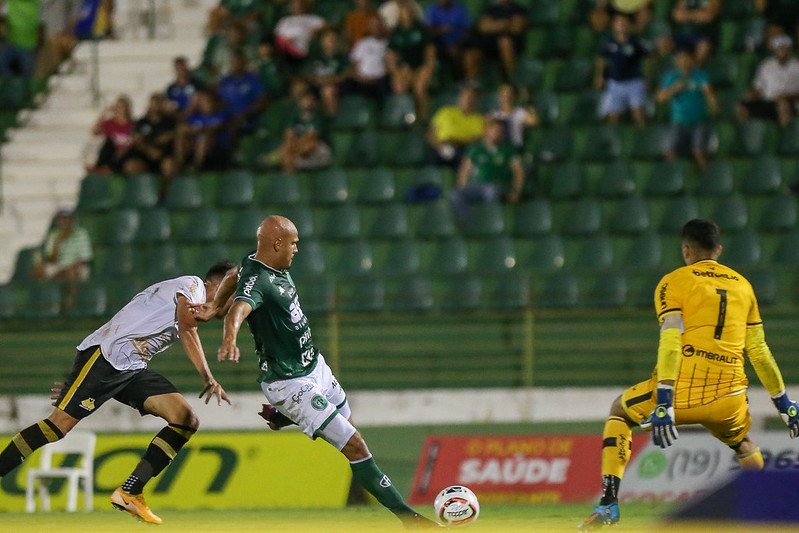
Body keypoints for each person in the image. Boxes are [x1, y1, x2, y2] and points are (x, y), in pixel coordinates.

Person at [191, 215, 438, 529]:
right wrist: (228, 334)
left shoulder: (257, 265)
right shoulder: (261, 281)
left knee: (346, 422)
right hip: (289, 382)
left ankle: (287, 416)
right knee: (355, 444)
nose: (297, 248)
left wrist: (214, 306)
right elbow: (241, 305)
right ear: (276, 243)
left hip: (314, 366)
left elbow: (234, 274)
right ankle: (410, 519)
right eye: (293, 242)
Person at [578, 219, 799, 530]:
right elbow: (759, 351)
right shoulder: (744, 286)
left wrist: (665, 400)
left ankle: (609, 504)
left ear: (685, 250)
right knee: (743, 443)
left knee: (619, 412)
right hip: (729, 397)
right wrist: (785, 404)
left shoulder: (674, 282)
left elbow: (671, 340)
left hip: (681, 392)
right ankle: (767, 513)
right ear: (718, 250)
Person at [0, 262, 236, 524]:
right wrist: (208, 376)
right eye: (230, 292)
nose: (229, 302)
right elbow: (187, 327)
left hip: (132, 368)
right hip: (106, 356)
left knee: (185, 419)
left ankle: (130, 491)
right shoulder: (192, 285)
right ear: (215, 284)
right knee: (57, 428)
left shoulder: (195, 302)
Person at [450, 119, 524, 226]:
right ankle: (467, 224)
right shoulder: (475, 149)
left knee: (491, 192)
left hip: (499, 186)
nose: (496, 133)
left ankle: (490, 225)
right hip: (477, 186)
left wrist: (516, 192)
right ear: (486, 131)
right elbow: (464, 171)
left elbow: (519, 172)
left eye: (499, 131)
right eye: (494, 130)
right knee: (455, 194)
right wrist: (463, 186)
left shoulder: (509, 150)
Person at [656, 48, 718, 170]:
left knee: (698, 152)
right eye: (682, 61)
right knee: (670, 152)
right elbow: (660, 98)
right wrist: (674, 89)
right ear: (677, 63)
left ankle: (705, 177)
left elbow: (708, 91)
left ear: (692, 62)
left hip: (699, 121)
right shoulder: (671, 77)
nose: (685, 64)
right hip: (678, 121)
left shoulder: (700, 75)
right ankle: (675, 176)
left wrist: (713, 104)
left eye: (687, 61)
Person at [595, 14, 651, 128]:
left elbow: (648, 60)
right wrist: (600, 76)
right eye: (619, 23)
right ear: (614, 26)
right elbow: (601, 59)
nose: (622, 26)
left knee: (638, 113)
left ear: (629, 26)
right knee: (612, 116)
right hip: (615, 82)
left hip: (634, 82)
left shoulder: (636, 43)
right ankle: (613, 139)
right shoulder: (609, 43)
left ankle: (642, 135)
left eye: (624, 23)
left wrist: (647, 78)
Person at [385, 3, 436, 119]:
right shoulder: (396, 32)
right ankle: (403, 118)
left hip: (421, 66)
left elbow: (430, 50)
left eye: (409, 12)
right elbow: (391, 54)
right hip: (404, 68)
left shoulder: (421, 29)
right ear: (400, 15)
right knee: (400, 87)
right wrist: (395, 71)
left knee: (420, 88)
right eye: (404, 12)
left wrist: (428, 66)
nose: (407, 14)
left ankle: (424, 117)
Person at [737, 34, 799, 127]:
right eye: (779, 48)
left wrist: (785, 96)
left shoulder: (796, 66)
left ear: (789, 49)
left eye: (784, 48)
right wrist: (751, 96)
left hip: (789, 101)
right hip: (768, 101)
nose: (782, 51)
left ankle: (786, 135)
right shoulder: (767, 64)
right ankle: (745, 134)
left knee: (782, 104)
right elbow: (758, 87)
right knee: (744, 104)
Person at [126, 93, 178, 194]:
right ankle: (140, 194)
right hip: (145, 155)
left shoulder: (170, 122)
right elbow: (137, 140)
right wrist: (150, 149)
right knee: (132, 166)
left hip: (164, 156)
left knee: (169, 165)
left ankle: (164, 193)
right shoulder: (142, 122)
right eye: (154, 103)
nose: (156, 106)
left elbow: (169, 137)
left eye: (159, 103)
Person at [464, 0, 528, 81]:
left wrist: (494, 24)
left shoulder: (519, 10)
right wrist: (506, 24)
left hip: (512, 45)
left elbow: (517, 28)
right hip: (490, 44)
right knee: (471, 52)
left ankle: (512, 80)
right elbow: (483, 27)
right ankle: (471, 84)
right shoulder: (492, 9)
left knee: (505, 42)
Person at [174, 89, 230, 171]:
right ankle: (180, 164)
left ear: (213, 102)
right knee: (181, 136)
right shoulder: (196, 116)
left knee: (203, 137)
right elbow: (180, 128)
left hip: (216, 146)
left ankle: (197, 166)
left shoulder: (220, 115)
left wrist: (198, 129)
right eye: (202, 102)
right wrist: (194, 129)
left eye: (208, 101)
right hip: (195, 145)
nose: (206, 104)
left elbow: (214, 128)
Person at [427, 85, 484, 167]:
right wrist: (438, 144)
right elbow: (431, 133)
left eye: (472, 98)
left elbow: (477, 140)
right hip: (440, 147)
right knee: (433, 158)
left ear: (476, 101)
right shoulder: (445, 112)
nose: (468, 101)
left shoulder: (479, 119)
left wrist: (456, 141)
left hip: (462, 150)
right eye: (465, 97)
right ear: (460, 98)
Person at [217, 49, 267, 141]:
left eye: (238, 61)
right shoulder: (226, 81)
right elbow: (222, 102)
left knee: (234, 125)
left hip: (247, 117)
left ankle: (233, 153)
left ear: (244, 62)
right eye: (233, 61)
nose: (236, 63)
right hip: (228, 115)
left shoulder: (254, 79)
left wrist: (246, 114)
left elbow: (261, 101)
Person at [277, 90, 331, 172]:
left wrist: (293, 153)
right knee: (285, 152)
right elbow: (288, 137)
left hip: (319, 150)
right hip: (299, 149)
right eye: (305, 100)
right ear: (299, 102)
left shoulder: (318, 116)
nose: (308, 103)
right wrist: (288, 152)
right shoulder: (294, 116)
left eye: (310, 100)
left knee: (307, 146)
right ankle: (289, 179)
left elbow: (311, 141)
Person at [33, 209, 92, 282]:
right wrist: (57, 244)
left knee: (72, 273)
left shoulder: (80, 233)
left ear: (72, 220)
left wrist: (68, 269)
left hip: (77, 266)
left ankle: (72, 293)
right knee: (39, 271)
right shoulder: (53, 234)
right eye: (62, 219)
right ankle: (44, 292)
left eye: (67, 219)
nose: (64, 222)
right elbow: (51, 260)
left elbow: (85, 258)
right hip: (58, 265)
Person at [303, 30, 351, 116]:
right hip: (317, 84)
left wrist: (329, 81)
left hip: (338, 86)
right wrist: (316, 80)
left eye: (333, 38)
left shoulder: (342, 57)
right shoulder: (315, 56)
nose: (331, 41)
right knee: (300, 89)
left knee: (328, 91)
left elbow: (346, 74)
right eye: (328, 38)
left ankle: (331, 120)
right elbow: (308, 73)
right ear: (322, 41)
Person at [425, 0, 472, 82]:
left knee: (460, 52)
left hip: (460, 42)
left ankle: (463, 81)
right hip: (441, 44)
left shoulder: (460, 8)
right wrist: (440, 30)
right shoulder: (432, 9)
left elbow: (468, 29)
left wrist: (458, 44)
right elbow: (428, 31)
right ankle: (455, 82)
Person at [92, 94, 136, 175]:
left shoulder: (133, 124)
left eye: (123, 107)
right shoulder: (110, 123)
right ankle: (102, 167)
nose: (121, 110)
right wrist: (103, 114)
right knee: (108, 142)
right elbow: (94, 132)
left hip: (126, 155)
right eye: (118, 107)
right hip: (112, 153)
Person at [488, 83, 538, 150]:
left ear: (513, 96)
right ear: (500, 96)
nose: (506, 97)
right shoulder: (494, 114)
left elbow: (534, 122)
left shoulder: (519, 112)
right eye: (503, 94)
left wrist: (528, 100)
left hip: (515, 148)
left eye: (509, 94)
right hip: (499, 149)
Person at [0, 0, 42, 78]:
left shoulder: (36, 4)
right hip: (11, 43)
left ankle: (19, 86)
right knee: (2, 65)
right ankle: (11, 82)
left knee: (27, 74)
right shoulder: (11, 3)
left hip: (28, 47)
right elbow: (3, 16)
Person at [671, 0, 721, 65]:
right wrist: (698, 15)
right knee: (664, 43)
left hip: (705, 35)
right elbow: (677, 15)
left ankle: (695, 71)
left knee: (704, 47)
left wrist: (686, 15)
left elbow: (708, 16)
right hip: (685, 34)